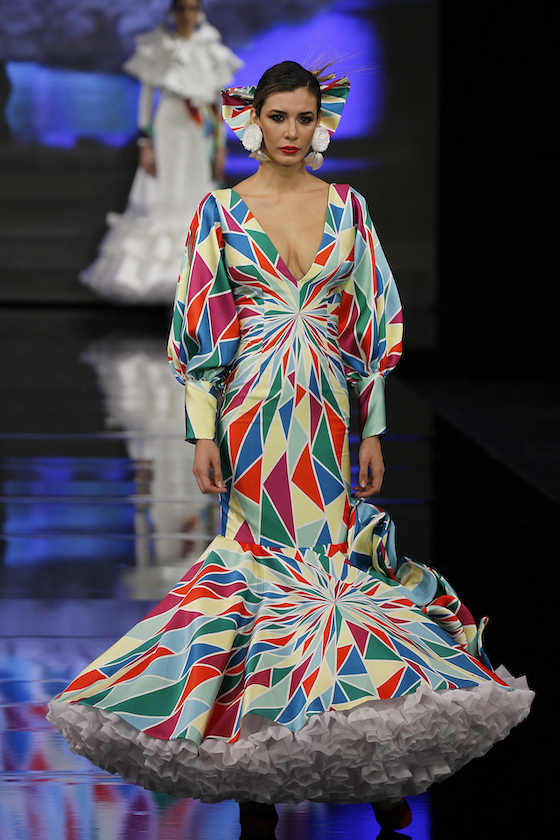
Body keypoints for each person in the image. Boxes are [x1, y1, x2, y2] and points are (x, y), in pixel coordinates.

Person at [48, 61, 533, 836]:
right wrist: (201, 431)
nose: (292, 132)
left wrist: (373, 427)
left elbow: (370, 322)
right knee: (261, 580)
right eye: (279, 117)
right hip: (255, 417)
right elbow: (200, 328)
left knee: (337, 577)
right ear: (255, 120)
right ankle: (256, 775)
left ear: (319, 123)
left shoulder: (349, 208)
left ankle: (374, 759)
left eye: (305, 118)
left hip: (328, 415)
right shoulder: (221, 212)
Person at [79, 0, 242, 305]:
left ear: (199, 12)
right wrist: (145, 142)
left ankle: (199, 279)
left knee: (196, 196)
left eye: (192, 9)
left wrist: (220, 146)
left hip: (197, 132)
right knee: (163, 197)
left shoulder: (210, 48)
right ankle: (154, 278)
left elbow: (216, 104)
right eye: (182, 9)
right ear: (172, 12)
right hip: (167, 125)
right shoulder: (158, 46)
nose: (187, 15)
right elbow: (145, 100)